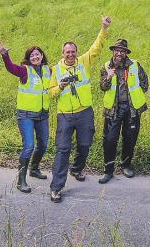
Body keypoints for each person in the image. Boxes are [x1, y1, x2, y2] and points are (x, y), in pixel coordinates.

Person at [48, 16, 111, 203]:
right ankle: (56, 188)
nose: (70, 54)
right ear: (62, 53)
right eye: (67, 52)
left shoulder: (84, 62)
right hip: (65, 115)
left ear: (76, 52)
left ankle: (76, 168)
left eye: (73, 51)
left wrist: (104, 28)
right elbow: (51, 93)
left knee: (85, 145)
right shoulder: (55, 69)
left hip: (85, 113)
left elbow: (96, 47)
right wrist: (60, 86)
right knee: (63, 149)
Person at [0, 42, 51, 193]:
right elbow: (11, 68)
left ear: (42, 56)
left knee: (44, 144)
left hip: (43, 114)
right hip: (26, 115)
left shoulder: (48, 70)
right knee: (29, 146)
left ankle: (34, 169)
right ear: (28, 58)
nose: (35, 56)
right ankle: (21, 180)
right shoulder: (25, 70)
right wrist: (5, 55)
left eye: (37, 54)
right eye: (32, 55)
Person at [98, 39, 149, 184]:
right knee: (109, 139)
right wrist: (108, 76)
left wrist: (135, 98)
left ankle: (126, 165)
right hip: (114, 110)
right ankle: (108, 170)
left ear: (126, 53)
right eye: (117, 50)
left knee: (130, 137)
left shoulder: (135, 65)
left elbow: (145, 83)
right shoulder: (106, 66)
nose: (119, 53)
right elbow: (102, 87)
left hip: (131, 109)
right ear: (113, 51)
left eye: (122, 51)